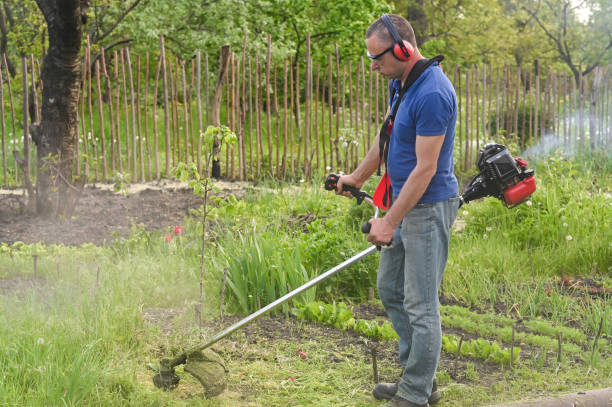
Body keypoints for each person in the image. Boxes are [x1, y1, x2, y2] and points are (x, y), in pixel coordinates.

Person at [336, 14, 460, 407]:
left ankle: (415, 393)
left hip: (426, 206)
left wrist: (389, 221)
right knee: (391, 290)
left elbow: (425, 168)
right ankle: (418, 376)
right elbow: (387, 136)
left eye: (378, 58)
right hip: (401, 204)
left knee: (421, 304)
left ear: (404, 50)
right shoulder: (400, 83)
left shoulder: (433, 94)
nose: (373, 66)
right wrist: (357, 177)